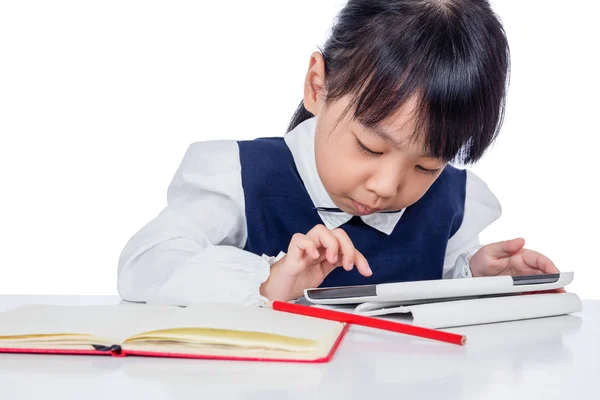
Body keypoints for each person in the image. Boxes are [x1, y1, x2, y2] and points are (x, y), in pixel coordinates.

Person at [117, 0, 559, 306]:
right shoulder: (241, 177)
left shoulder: (453, 201)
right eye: (369, 146)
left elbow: (429, 290)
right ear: (318, 85)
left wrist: (474, 279)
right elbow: (146, 264)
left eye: (426, 166)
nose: (386, 186)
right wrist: (268, 283)